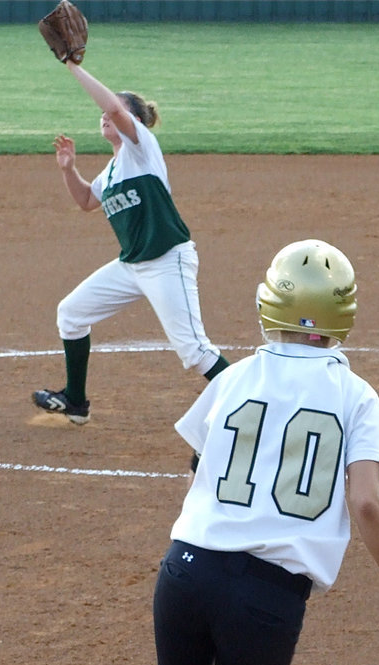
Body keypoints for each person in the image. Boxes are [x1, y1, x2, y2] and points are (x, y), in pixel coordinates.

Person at [152, 239, 379, 665]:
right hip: (263, 596)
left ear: (268, 302)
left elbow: (197, 474)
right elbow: (366, 502)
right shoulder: (354, 395)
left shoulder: (233, 378)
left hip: (184, 571)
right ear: (344, 315)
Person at [32, 60, 227, 425]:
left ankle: (253, 405)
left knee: (195, 351)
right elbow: (88, 202)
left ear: (134, 121)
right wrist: (68, 169)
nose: (106, 117)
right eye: (105, 114)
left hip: (168, 259)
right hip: (132, 265)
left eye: (115, 112)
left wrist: (74, 67)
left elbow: (114, 108)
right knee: (71, 315)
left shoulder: (141, 148)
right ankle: (76, 401)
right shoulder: (111, 170)